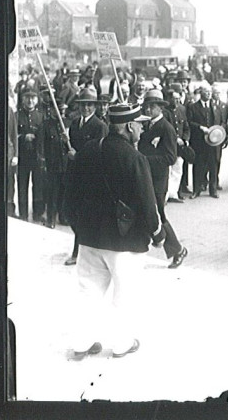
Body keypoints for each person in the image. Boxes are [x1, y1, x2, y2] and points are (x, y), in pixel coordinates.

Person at [63, 102, 166, 360]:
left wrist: (79, 226)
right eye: (139, 125)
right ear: (129, 127)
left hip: (89, 239)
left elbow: (69, 197)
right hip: (125, 242)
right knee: (124, 295)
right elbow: (147, 202)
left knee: (87, 292)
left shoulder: (87, 151)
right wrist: (157, 234)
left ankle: (81, 344)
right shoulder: (135, 158)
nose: (141, 129)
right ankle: (121, 344)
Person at [138, 89, 189, 268]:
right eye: (147, 106)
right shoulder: (146, 126)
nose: (148, 110)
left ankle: (177, 249)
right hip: (146, 177)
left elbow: (170, 157)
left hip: (158, 179)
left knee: (158, 214)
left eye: (152, 106)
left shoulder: (166, 128)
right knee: (149, 213)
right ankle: (152, 242)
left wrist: (144, 160)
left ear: (160, 108)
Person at [64, 86, 109, 266]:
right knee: (68, 211)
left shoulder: (100, 127)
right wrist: (64, 144)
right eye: (83, 105)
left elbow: (100, 154)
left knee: (83, 214)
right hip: (74, 175)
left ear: (95, 106)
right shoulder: (74, 124)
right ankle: (85, 244)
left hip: (91, 177)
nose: (86, 108)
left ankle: (78, 251)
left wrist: (79, 156)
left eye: (90, 105)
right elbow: (70, 150)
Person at [187, 84, 224, 198]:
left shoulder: (215, 106)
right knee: (198, 165)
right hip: (199, 141)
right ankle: (196, 190)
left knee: (214, 165)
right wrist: (200, 128)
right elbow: (189, 122)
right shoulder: (193, 107)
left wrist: (218, 132)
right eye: (205, 92)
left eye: (209, 92)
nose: (208, 93)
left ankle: (213, 190)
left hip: (213, 142)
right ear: (200, 93)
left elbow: (221, 121)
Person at [16, 87, 45, 222]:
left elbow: (44, 137)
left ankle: (38, 214)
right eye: (27, 97)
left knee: (38, 185)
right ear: (22, 99)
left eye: (33, 97)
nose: (30, 100)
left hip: (36, 156)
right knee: (22, 185)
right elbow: (11, 135)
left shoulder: (41, 116)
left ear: (37, 100)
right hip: (22, 156)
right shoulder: (17, 116)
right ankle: (23, 214)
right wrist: (23, 137)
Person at [41, 101, 70, 229]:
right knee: (52, 192)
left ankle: (63, 217)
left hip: (66, 164)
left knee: (64, 192)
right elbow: (41, 146)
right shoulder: (46, 125)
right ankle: (50, 218)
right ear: (52, 110)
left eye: (62, 110)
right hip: (52, 164)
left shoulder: (68, 124)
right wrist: (42, 162)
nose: (60, 113)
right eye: (58, 110)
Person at [164, 84, 191, 202]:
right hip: (168, 146)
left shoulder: (182, 109)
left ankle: (173, 194)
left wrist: (185, 139)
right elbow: (165, 129)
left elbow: (186, 127)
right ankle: (165, 196)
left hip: (179, 146)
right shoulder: (165, 112)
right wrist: (175, 139)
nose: (176, 101)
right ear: (169, 99)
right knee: (168, 170)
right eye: (174, 99)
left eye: (178, 99)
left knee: (178, 169)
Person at [7, 95, 19, 217]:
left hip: (8, 154)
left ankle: (10, 208)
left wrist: (15, 154)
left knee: (10, 181)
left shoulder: (9, 111)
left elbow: (14, 134)